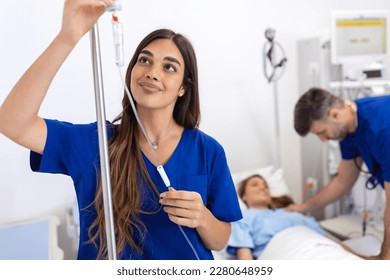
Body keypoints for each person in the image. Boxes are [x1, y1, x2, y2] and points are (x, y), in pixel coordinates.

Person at [0, 0, 242, 260]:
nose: (152, 73)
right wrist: (67, 37)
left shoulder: (208, 151)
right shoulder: (96, 144)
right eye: (144, 61)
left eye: (169, 67)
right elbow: (13, 123)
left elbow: (220, 239)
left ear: (184, 87)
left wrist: (202, 218)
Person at [289, 87, 390, 260]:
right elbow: (343, 181)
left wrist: (384, 257)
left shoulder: (382, 128)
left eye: (321, 132)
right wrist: (303, 208)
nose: (323, 139)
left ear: (334, 114)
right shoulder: (350, 131)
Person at [226, 174, 325, 260]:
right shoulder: (242, 218)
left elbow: (324, 236)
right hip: (287, 254)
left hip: (322, 247)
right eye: (255, 185)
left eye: (266, 186)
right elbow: (244, 254)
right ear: (244, 196)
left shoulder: (291, 211)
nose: (262, 188)